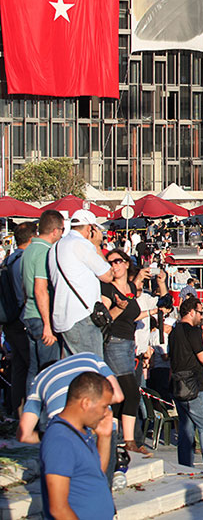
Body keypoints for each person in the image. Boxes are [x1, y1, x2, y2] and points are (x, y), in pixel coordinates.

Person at [100, 247, 159, 456]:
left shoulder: (129, 290)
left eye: (117, 261)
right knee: (131, 393)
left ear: (126, 263)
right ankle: (129, 440)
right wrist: (119, 308)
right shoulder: (107, 289)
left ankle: (113, 436)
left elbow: (132, 308)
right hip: (114, 343)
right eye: (110, 263)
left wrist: (152, 311)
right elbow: (105, 319)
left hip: (128, 345)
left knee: (121, 395)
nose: (113, 265)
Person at [40, 372, 116, 520]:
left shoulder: (81, 432)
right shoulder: (60, 440)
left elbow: (96, 473)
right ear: (86, 403)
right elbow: (59, 509)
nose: (106, 413)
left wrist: (105, 437)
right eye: (104, 406)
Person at [48, 209, 113, 356]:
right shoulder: (82, 245)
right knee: (91, 368)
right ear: (91, 228)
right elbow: (107, 276)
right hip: (81, 316)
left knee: (73, 369)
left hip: (63, 317)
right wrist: (97, 246)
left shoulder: (56, 247)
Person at [168, 296, 203, 473]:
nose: (201, 316)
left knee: (186, 428)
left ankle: (185, 467)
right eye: (200, 312)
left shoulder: (174, 332)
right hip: (194, 385)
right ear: (191, 312)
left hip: (178, 384)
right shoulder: (193, 331)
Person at [21, 210, 64, 391]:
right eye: (62, 230)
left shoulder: (29, 249)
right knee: (49, 372)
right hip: (41, 317)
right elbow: (40, 289)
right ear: (55, 230)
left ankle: (31, 414)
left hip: (30, 314)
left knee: (33, 370)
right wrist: (48, 324)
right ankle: (45, 418)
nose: (62, 234)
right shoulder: (44, 252)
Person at [3, 221, 35, 412]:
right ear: (32, 238)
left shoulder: (8, 260)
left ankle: (18, 410)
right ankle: (31, 414)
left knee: (18, 368)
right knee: (32, 365)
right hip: (23, 318)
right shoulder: (25, 260)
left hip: (10, 319)